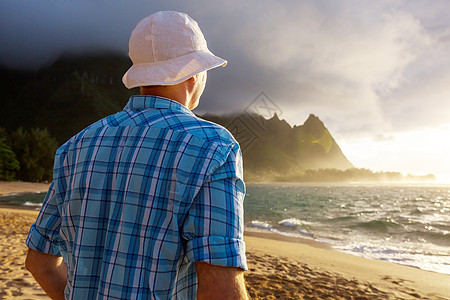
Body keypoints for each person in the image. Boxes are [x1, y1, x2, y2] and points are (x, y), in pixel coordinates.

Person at [25, 11, 248, 299]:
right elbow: (220, 288)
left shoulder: (76, 146)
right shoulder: (213, 146)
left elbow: (39, 263)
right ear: (194, 74)